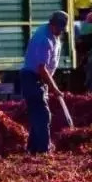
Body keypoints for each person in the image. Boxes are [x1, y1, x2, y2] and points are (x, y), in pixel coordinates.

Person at [20, 11, 69, 155]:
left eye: (62, 29)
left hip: (38, 79)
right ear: (52, 24)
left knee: (37, 114)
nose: (60, 32)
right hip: (31, 77)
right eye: (58, 28)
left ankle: (32, 148)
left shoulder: (53, 34)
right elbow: (42, 68)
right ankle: (43, 149)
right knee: (43, 114)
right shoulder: (44, 39)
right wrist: (55, 88)